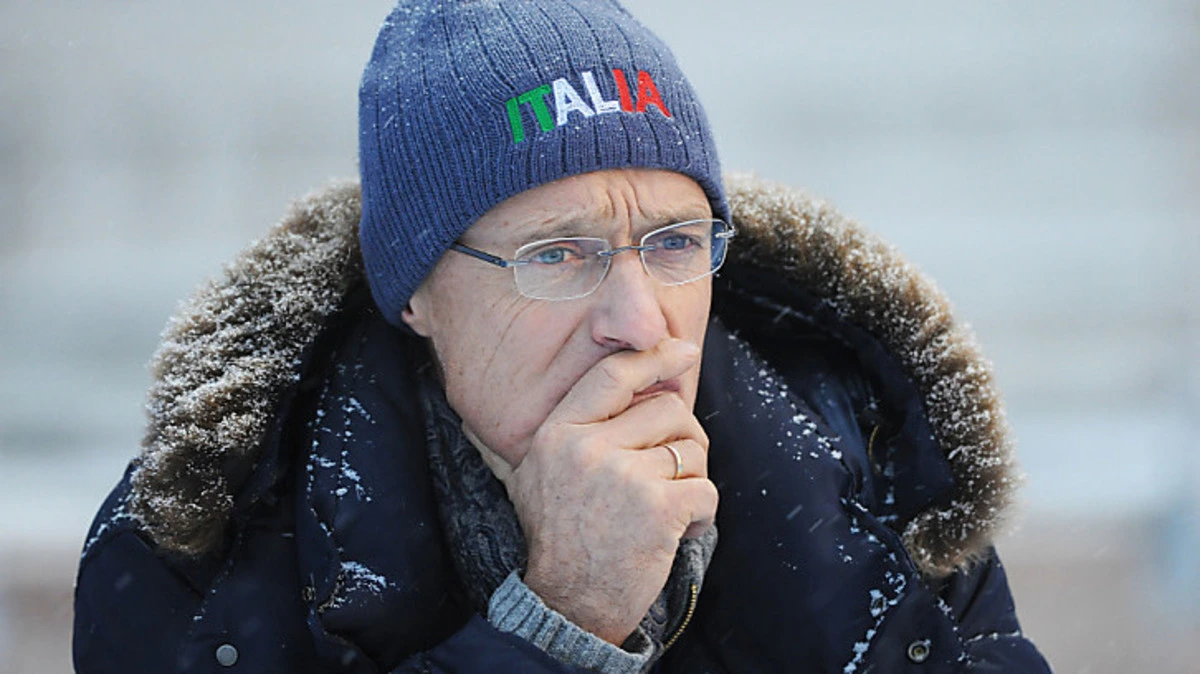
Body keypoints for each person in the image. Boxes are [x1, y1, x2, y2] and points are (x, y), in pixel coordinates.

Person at [73, 1, 1052, 672]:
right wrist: (564, 616)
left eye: (675, 243)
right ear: (415, 296)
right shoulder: (205, 541)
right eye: (556, 254)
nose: (641, 322)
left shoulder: (882, 465)